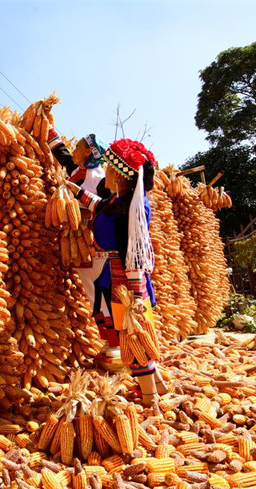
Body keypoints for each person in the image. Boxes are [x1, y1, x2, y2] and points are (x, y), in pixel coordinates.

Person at [64, 138, 168, 406]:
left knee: (133, 337)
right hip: (113, 275)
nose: (105, 171)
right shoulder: (120, 202)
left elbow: (133, 253)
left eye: (110, 168)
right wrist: (73, 190)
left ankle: (150, 398)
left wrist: (133, 295)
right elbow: (99, 206)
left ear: (121, 176)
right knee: (134, 336)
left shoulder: (132, 209)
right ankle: (158, 385)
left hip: (125, 279)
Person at [47, 128, 118, 364]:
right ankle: (109, 340)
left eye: (78, 147)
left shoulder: (98, 178)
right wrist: (46, 124)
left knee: (102, 290)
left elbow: (108, 208)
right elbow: (63, 154)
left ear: (89, 152)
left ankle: (117, 343)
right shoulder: (79, 171)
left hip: (96, 244)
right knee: (92, 292)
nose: (74, 150)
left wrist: (83, 209)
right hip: (78, 244)